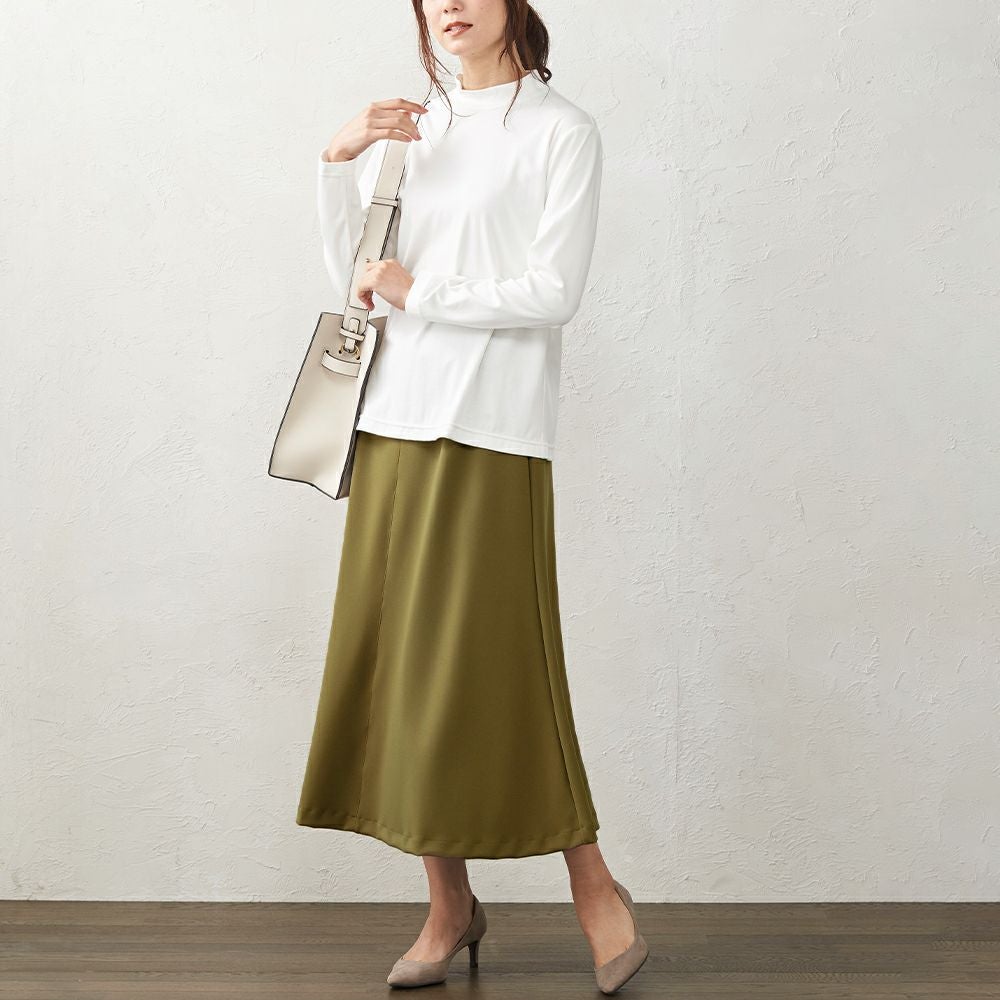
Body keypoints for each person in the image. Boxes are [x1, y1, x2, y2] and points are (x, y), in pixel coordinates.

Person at [294, 1, 648, 993]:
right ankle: (449, 904)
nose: (447, 4)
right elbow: (356, 281)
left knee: (503, 665)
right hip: (392, 424)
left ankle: (594, 887)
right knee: (405, 670)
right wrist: (336, 161)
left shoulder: (561, 131)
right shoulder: (417, 129)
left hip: (493, 427)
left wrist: (425, 292)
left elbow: (553, 291)